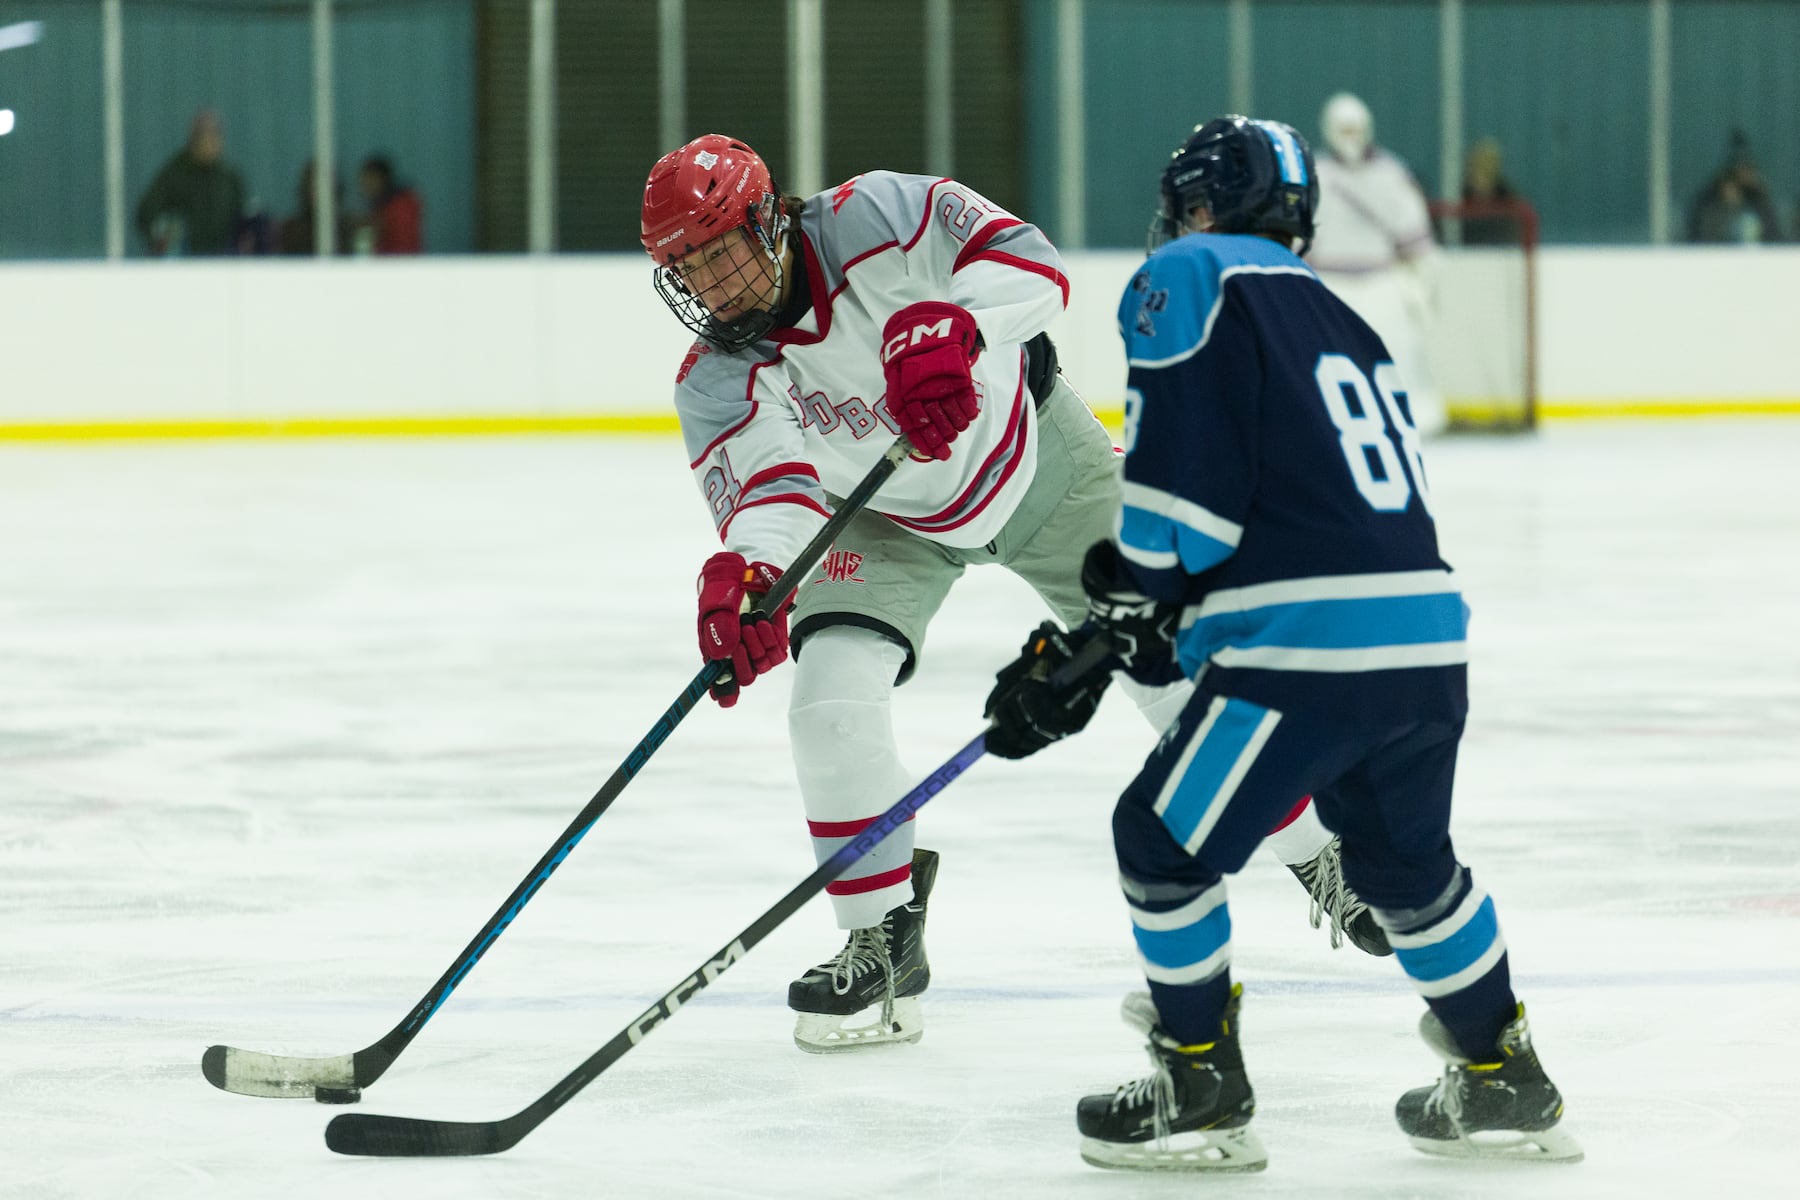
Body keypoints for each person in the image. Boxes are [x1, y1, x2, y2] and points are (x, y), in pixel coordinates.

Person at [638, 134, 1389, 1056]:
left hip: (1040, 462)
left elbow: (1030, 261)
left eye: (721, 250)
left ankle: (1324, 853)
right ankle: (880, 932)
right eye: (689, 269)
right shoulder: (713, 377)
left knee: (1177, 672)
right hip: (883, 524)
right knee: (827, 702)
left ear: (768, 220)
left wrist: (958, 326)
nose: (712, 285)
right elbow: (773, 493)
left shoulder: (875, 214)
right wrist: (752, 580)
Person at [982, 115, 1580, 1172]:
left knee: (1160, 841)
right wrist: (1150, 627)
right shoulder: (1344, 315)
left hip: (1308, 653)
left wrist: (1123, 597)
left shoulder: (1187, 278)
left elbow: (1185, 520)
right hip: (1426, 646)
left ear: (1205, 207)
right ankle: (1504, 1075)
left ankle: (1198, 1083)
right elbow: (1316, 508)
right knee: (1405, 872)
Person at [1305, 92, 1445, 435]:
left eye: (1355, 128)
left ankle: (1410, 415)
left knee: (1400, 354)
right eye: (1344, 128)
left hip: (1381, 280)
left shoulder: (1390, 172)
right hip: (1330, 282)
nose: (1350, 136)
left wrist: (1424, 277)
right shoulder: (1314, 174)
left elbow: (1413, 231)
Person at [135, 108, 246, 257]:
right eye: (204, 136)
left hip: (222, 259)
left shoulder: (229, 178)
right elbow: (146, 213)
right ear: (193, 140)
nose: (210, 142)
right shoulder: (174, 173)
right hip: (183, 261)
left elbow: (241, 215)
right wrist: (161, 238)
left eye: (214, 136)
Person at [1687, 130, 1782, 244]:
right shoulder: (1709, 203)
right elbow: (1701, 236)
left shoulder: (1757, 201)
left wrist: (1760, 195)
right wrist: (1725, 204)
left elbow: (1774, 235)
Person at [1459, 136, 1526, 246]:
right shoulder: (1460, 197)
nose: (1480, 170)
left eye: (1487, 165)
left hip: (1498, 255)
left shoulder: (1508, 199)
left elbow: (1512, 234)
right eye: (1477, 164)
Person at [277, 160, 354, 256]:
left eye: (326, 185)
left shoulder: (348, 227)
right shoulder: (292, 230)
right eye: (315, 185)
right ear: (306, 188)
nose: (321, 192)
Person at [356, 155, 424, 254]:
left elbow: (403, 245)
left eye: (368, 179)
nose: (363, 186)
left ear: (379, 178)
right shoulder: (384, 205)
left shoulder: (401, 206)